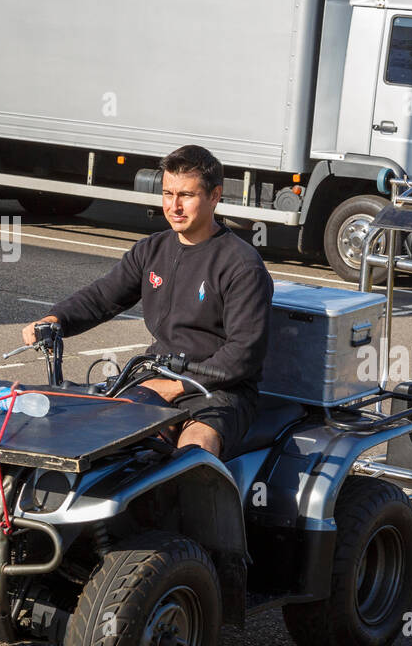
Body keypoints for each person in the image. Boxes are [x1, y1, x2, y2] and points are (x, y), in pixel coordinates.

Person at [21, 145, 274, 459]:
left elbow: (243, 353)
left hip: (220, 391)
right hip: (156, 375)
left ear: (214, 196)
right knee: (106, 441)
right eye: (168, 194)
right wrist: (55, 320)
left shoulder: (241, 264)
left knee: (193, 454)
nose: (174, 206)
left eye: (186, 195)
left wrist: (175, 387)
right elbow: (102, 297)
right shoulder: (151, 250)